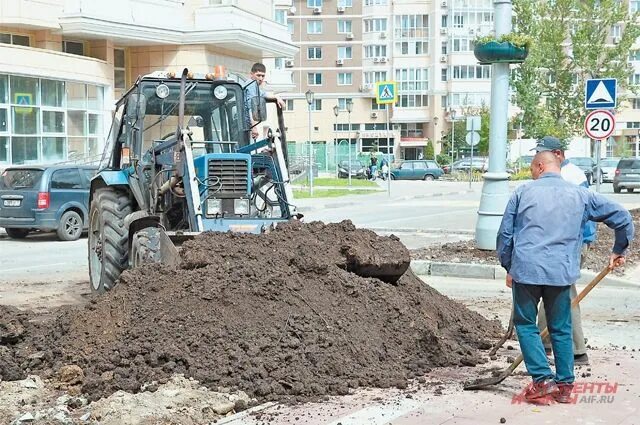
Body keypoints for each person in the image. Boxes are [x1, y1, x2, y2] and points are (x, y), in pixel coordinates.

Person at [496, 151, 633, 404]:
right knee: (561, 327)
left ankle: (543, 380)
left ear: (539, 166)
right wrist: (618, 249)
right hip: (561, 272)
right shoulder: (581, 195)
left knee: (525, 324)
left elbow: (505, 235)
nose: (531, 174)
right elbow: (622, 217)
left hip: (527, 270)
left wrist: (509, 267)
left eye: (531, 169)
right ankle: (565, 386)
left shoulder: (522, 193)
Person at [532, 136, 595, 365]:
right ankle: (544, 343)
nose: (538, 158)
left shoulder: (569, 177)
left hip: (570, 244)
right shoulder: (566, 175)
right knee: (550, 292)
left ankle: (577, 351)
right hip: (562, 244)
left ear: (557, 154)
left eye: (543, 153)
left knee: (565, 294)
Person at [244, 63, 285, 140]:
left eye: (263, 76)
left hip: (245, 124)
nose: (261, 78)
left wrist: (277, 97)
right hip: (243, 124)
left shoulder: (255, 87)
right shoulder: (251, 85)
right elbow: (251, 108)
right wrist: (254, 127)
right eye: (258, 75)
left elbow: (264, 94)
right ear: (251, 74)